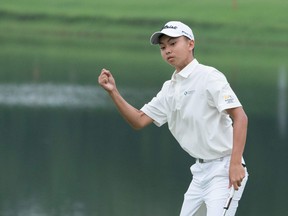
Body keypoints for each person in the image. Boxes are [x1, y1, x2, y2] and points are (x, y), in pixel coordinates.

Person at [98, 21, 248, 216]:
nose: (167, 50)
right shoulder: (169, 88)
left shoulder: (209, 76)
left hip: (225, 169)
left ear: (190, 44)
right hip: (200, 172)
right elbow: (139, 120)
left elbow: (240, 117)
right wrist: (113, 92)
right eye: (162, 47)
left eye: (173, 43)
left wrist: (235, 164)